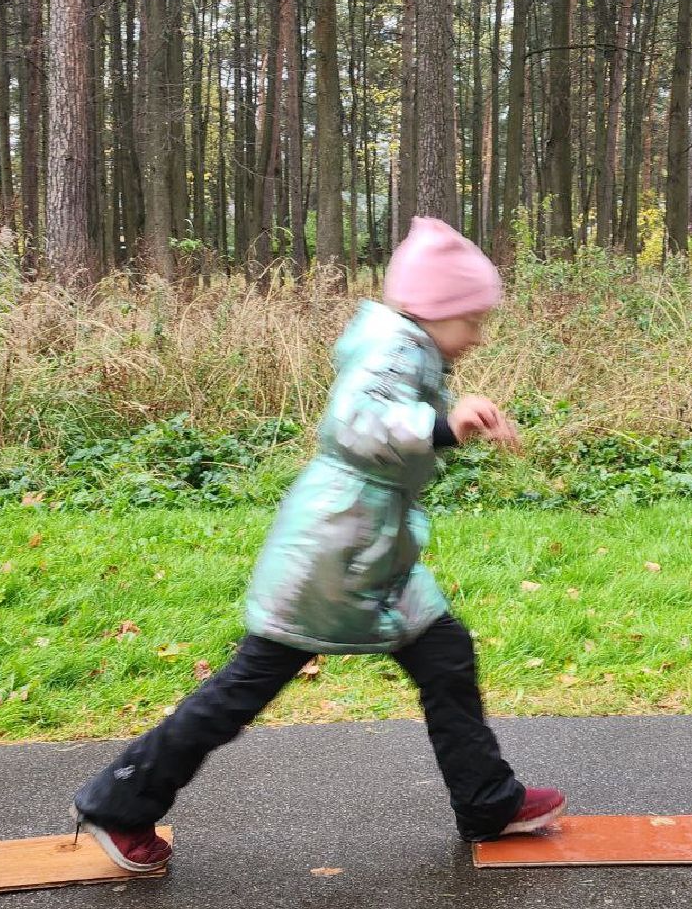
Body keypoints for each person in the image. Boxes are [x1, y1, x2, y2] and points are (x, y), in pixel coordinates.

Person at [73, 217, 565, 871]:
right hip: (333, 554)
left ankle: (487, 802)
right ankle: (118, 803)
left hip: (369, 547)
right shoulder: (394, 349)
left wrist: (444, 424)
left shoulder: (411, 347)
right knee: (245, 687)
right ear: (434, 311)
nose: (477, 335)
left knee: (444, 652)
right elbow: (356, 423)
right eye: (471, 319)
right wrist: (445, 426)